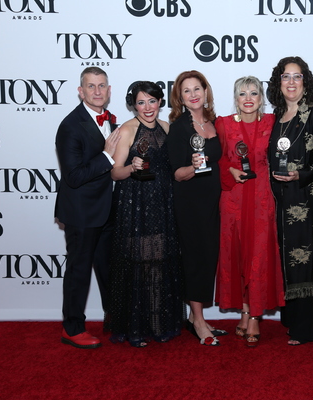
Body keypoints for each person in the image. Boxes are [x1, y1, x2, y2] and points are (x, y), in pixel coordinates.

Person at [104, 81, 184, 347]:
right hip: (136, 204)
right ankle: (135, 328)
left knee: (159, 262)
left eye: (152, 101)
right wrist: (131, 167)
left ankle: (158, 323)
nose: (148, 107)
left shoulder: (166, 128)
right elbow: (115, 172)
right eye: (141, 102)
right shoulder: (126, 130)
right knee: (138, 262)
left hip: (162, 202)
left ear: (161, 102)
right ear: (133, 104)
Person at [266, 56, 313, 345]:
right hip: (280, 203)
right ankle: (296, 319)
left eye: (297, 76)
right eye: (285, 76)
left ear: (306, 82)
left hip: (307, 201)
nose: (291, 82)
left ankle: (305, 328)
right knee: (286, 261)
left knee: (305, 261)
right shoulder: (277, 117)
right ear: (278, 82)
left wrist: (300, 175)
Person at [215, 76, 285, 348]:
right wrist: (229, 170)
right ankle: (245, 310)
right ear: (235, 97)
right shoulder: (222, 124)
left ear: (261, 98)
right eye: (242, 93)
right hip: (233, 200)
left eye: (254, 93)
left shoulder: (272, 123)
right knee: (238, 257)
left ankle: (254, 315)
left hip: (261, 201)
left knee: (258, 258)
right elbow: (216, 160)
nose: (248, 98)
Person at [54, 67, 120, 348]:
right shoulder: (70, 126)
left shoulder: (112, 123)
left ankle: (114, 319)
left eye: (102, 85)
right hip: (81, 212)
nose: (97, 91)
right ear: (80, 92)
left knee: (109, 269)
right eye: (91, 86)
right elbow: (74, 176)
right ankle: (72, 327)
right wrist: (106, 155)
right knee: (79, 270)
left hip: (107, 210)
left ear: (109, 90)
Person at [167, 70, 226, 346]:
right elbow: (178, 173)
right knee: (194, 257)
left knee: (207, 256)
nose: (193, 95)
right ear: (180, 97)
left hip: (212, 203)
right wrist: (196, 166)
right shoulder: (180, 127)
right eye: (186, 91)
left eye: (196, 89)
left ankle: (194, 316)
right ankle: (199, 320)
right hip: (190, 203)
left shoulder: (213, 123)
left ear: (205, 91)